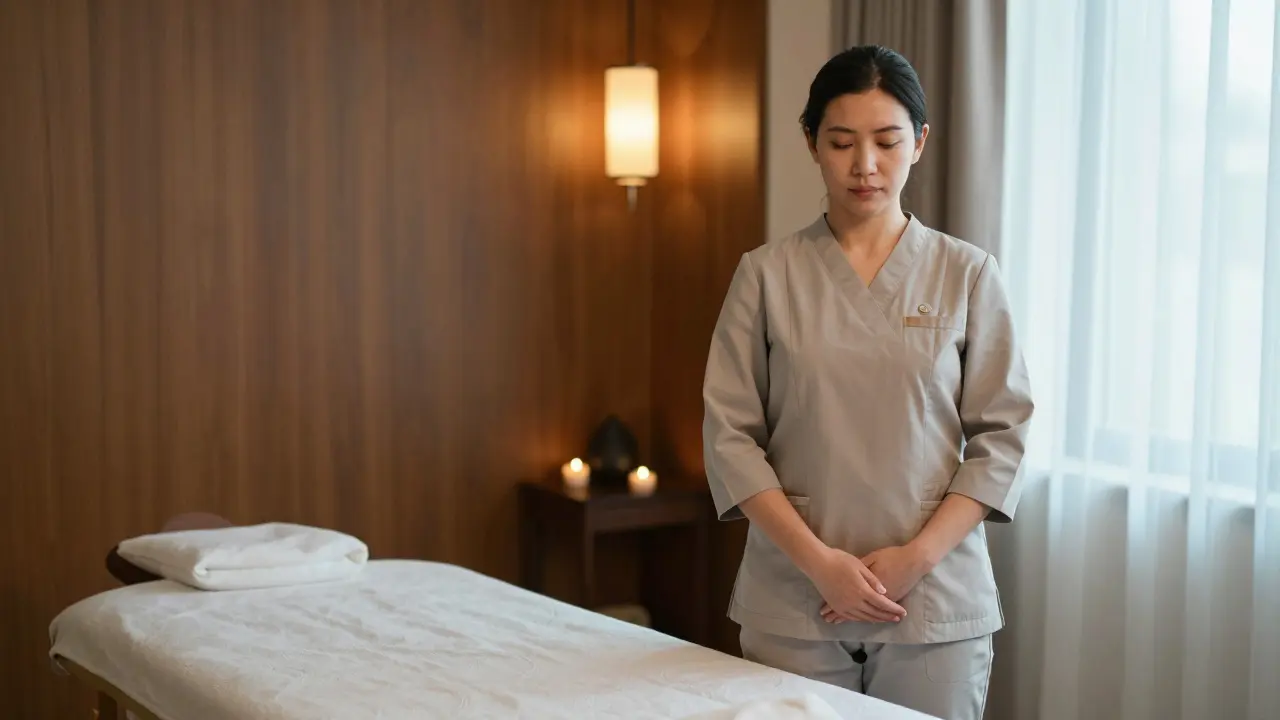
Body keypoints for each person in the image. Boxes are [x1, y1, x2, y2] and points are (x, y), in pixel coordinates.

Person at [702, 44, 1033, 720]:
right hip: (795, 600)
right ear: (811, 143)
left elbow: (1003, 437)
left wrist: (917, 558)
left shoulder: (968, 274)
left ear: (919, 143)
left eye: (887, 140)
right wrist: (820, 564)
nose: (865, 165)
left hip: (934, 602)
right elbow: (731, 436)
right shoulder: (765, 276)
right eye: (842, 142)